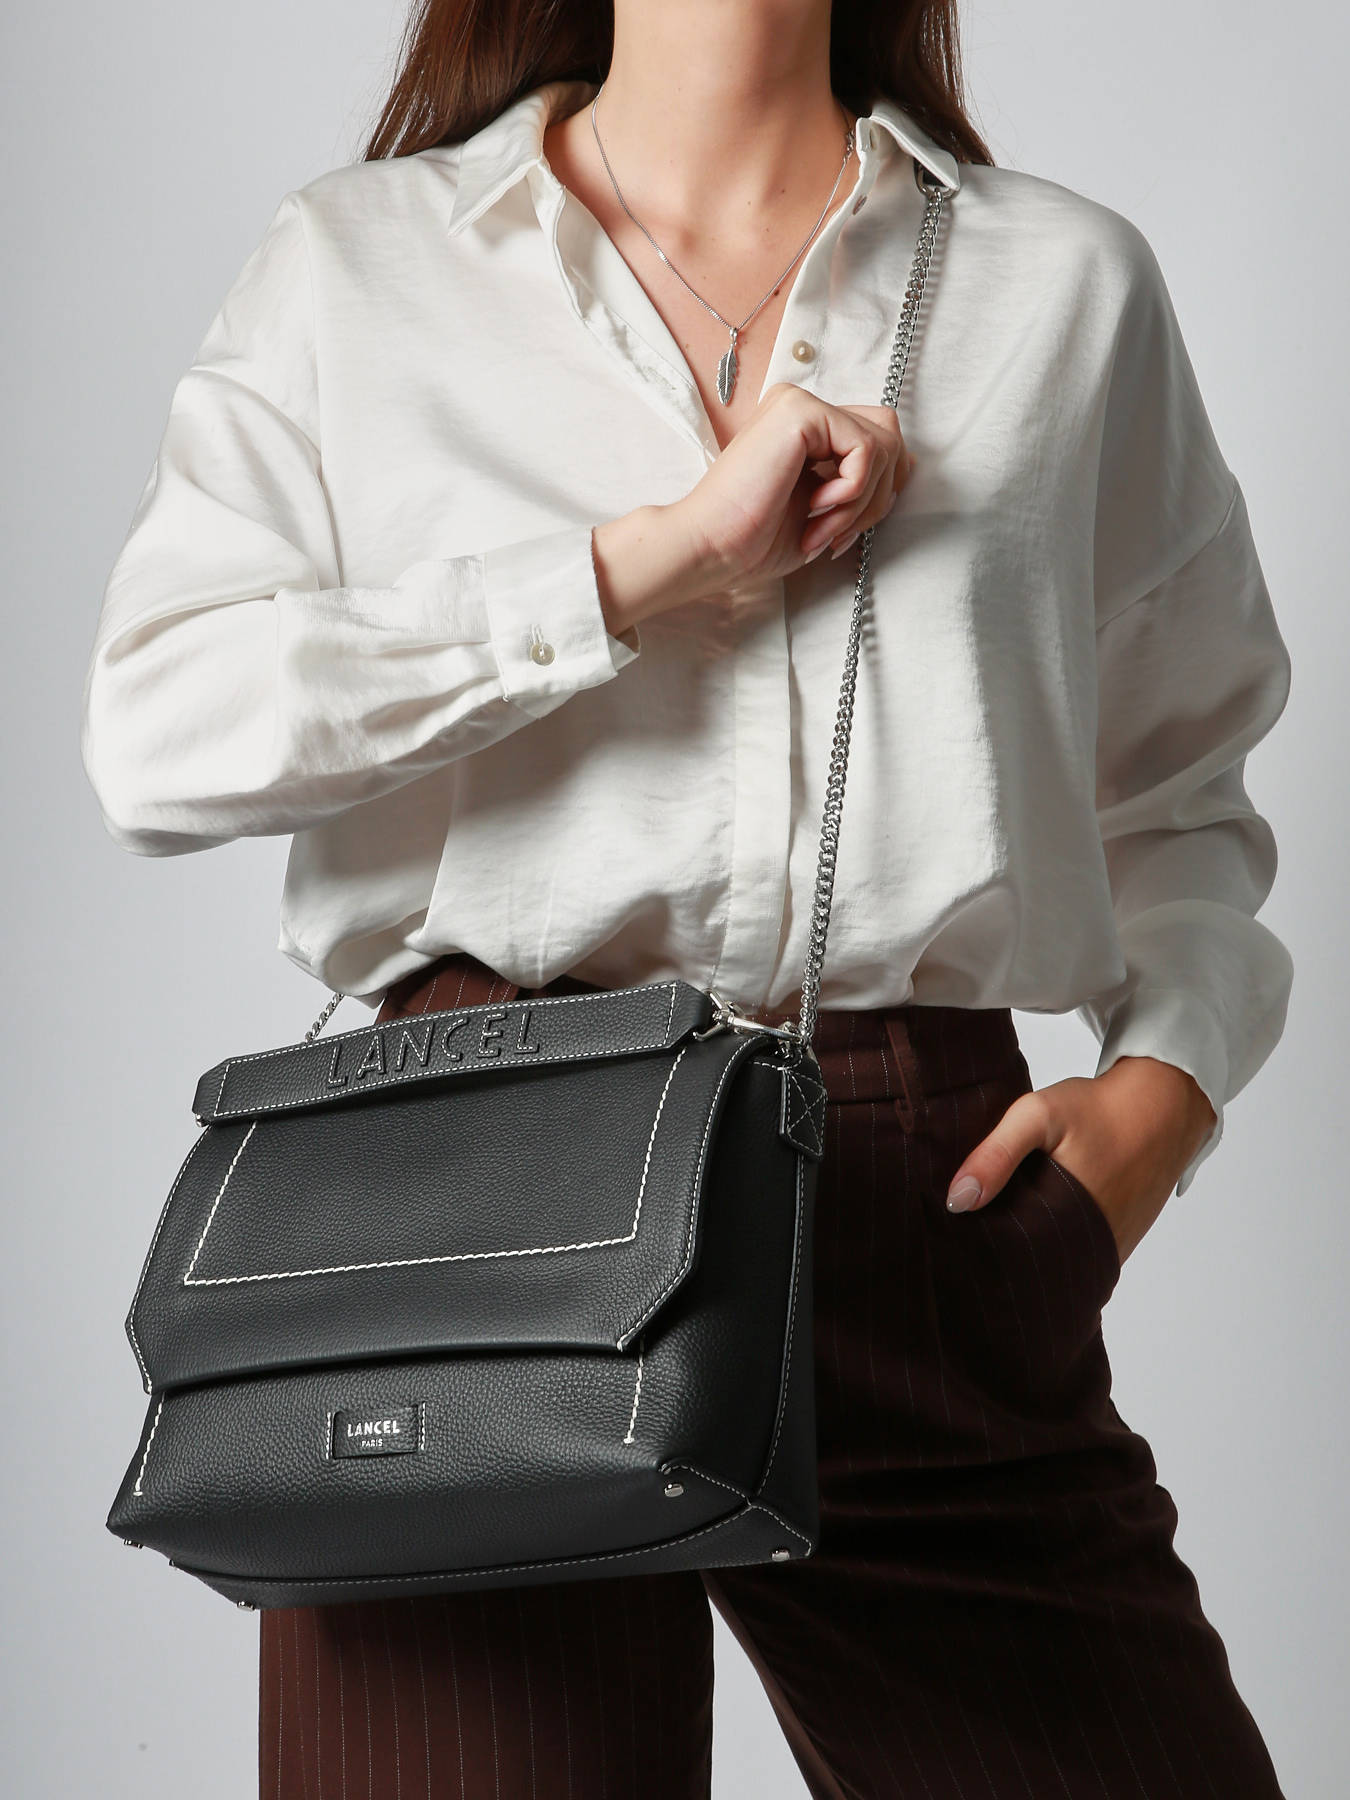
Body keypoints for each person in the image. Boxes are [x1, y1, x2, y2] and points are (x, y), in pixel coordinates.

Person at [80, 2, 1294, 1795]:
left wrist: (1162, 1089)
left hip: (923, 1192)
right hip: (473, 1191)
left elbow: (1181, 784)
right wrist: (642, 569)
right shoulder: (361, 266)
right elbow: (157, 733)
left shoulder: (1058, 284)